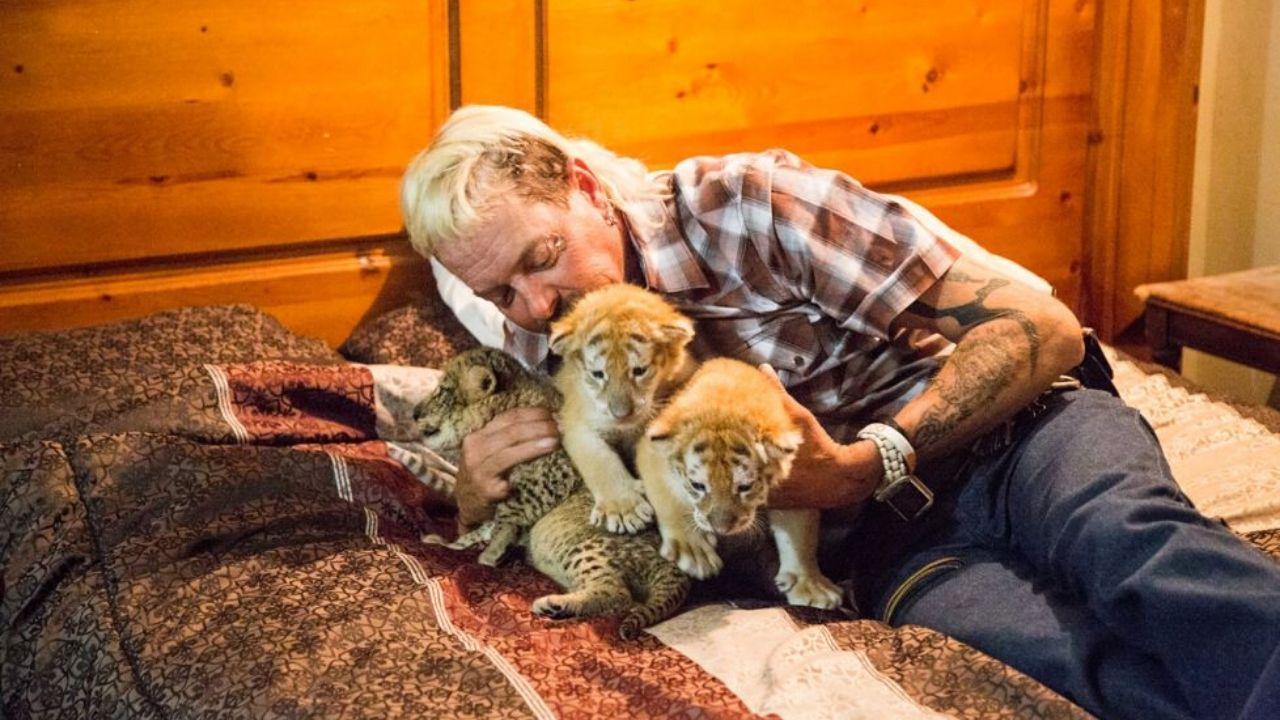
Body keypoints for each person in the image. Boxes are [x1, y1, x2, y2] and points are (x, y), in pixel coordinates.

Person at [399, 105, 1280, 720]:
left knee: (1130, 542)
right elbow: (553, 504)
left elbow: (1041, 331)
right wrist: (472, 493)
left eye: (542, 258)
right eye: (500, 291)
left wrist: (862, 467)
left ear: (586, 188)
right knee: (1059, 662)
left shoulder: (748, 207)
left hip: (1020, 434)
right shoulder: (539, 347)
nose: (535, 304)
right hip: (892, 550)